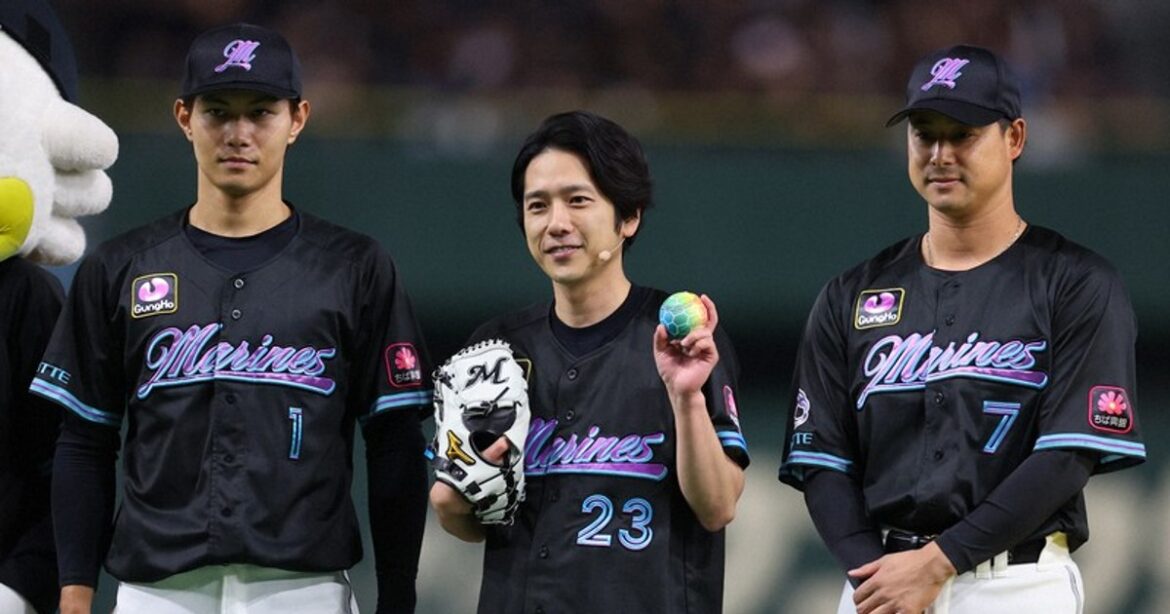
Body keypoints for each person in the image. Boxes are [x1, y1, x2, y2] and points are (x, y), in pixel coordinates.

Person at [31, 23, 432, 614]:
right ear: (184, 117)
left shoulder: (354, 267)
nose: (238, 133)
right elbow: (84, 442)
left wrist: (397, 596)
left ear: (297, 119)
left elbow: (394, 444)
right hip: (155, 594)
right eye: (217, 111)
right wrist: (74, 595)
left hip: (305, 592)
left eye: (260, 112)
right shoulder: (120, 267)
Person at [779, 44, 1147, 613]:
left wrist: (939, 562)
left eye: (963, 134)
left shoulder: (1075, 283)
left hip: (1016, 582)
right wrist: (873, 579)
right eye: (925, 134)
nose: (940, 154)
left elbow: (1067, 455)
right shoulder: (850, 294)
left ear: (1015, 138)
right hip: (881, 582)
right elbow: (822, 461)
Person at [429, 110, 750, 613]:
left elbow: (717, 507)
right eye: (538, 206)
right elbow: (469, 520)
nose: (556, 224)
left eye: (578, 200)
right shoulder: (494, 351)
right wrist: (451, 502)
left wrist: (686, 397)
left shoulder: (679, 340)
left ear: (629, 216)